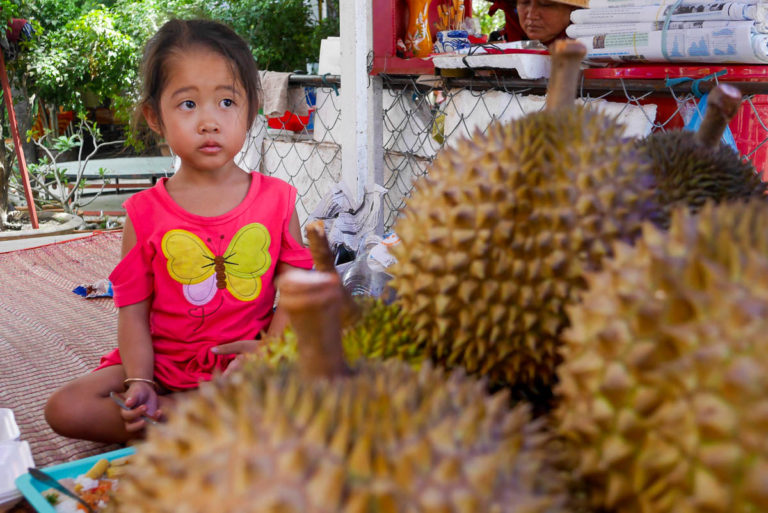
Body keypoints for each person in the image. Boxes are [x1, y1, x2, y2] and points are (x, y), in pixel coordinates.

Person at [45, 19, 313, 443]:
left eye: (227, 102)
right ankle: (201, 420)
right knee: (65, 408)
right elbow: (132, 312)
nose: (209, 121)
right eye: (188, 105)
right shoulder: (145, 212)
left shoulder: (278, 200)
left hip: (243, 367)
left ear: (251, 109)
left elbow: (298, 292)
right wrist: (140, 384)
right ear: (155, 116)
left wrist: (268, 352)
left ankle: (189, 425)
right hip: (161, 365)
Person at [489, 0, 578, 46]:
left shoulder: (590, 44)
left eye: (545, 4)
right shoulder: (498, 43)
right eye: (524, 2)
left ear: (573, 8)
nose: (531, 15)